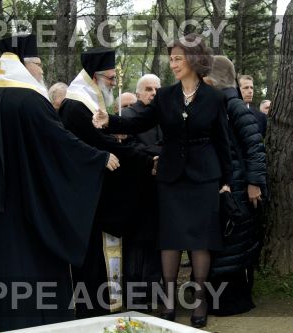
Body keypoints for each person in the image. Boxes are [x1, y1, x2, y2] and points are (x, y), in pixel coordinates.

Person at [0, 34, 119, 332]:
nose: (43, 71)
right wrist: (97, 158)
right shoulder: (30, 100)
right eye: (38, 63)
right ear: (24, 64)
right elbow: (58, 143)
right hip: (26, 212)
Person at [93, 34, 232, 328]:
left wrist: (227, 180)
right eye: (171, 59)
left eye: (178, 58)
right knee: (169, 239)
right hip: (170, 177)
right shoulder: (165, 95)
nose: (173, 64)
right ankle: (168, 303)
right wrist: (110, 121)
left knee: (200, 241)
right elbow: (138, 122)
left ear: (195, 60)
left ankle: (200, 301)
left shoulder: (215, 97)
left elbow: (223, 142)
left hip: (205, 178)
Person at [59, 47, 156, 318]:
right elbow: (98, 144)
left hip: (97, 192)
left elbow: (108, 140)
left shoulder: (91, 100)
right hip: (86, 197)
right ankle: (93, 310)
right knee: (92, 260)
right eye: (111, 78)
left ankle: (103, 307)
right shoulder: (76, 105)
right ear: (95, 76)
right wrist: (147, 160)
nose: (114, 83)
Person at [204, 55, 266, 315]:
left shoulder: (234, 105)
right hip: (227, 185)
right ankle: (219, 299)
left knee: (236, 243)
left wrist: (254, 183)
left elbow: (254, 146)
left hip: (241, 188)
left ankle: (233, 301)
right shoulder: (221, 103)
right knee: (227, 243)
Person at [121, 74, 163, 311]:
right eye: (148, 89)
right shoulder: (128, 116)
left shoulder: (164, 116)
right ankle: (134, 296)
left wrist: (157, 154)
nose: (153, 93)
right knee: (136, 244)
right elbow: (128, 147)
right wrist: (153, 156)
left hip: (160, 189)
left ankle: (153, 291)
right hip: (136, 188)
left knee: (157, 242)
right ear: (138, 93)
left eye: (157, 89)